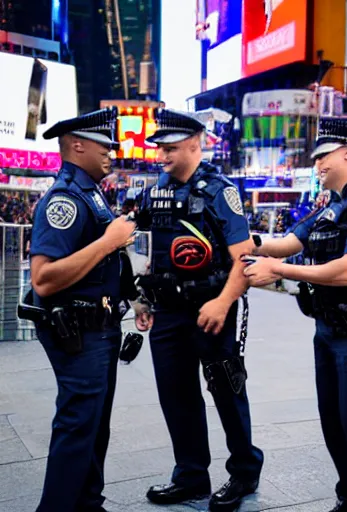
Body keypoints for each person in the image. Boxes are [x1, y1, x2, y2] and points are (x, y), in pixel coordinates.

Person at [243, 117, 347, 512]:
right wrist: (245, 240)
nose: (317, 165)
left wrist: (279, 271)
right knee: (336, 424)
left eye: (323, 157)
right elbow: (287, 243)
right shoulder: (335, 205)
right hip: (328, 330)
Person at [133, 109, 263, 511]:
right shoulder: (154, 192)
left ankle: (243, 472)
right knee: (176, 395)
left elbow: (244, 258)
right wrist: (140, 296)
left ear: (195, 143)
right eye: (160, 150)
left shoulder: (219, 192)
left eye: (170, 149)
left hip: (210, 311)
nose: (162, 157)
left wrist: (223, 303)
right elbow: (142, 246)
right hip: (168, 313)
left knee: (227, 391)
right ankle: (190, 476)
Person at [21, 107, 136, 512]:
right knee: (77, 427)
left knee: (93, 426)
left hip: (99, 329)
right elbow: (44, 278)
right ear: (76, 145)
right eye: (104, 145)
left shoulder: (90, 192)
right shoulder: (65, 199)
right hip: (78, 333)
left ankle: (88, 504)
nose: (112, 152)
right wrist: (109, 242)